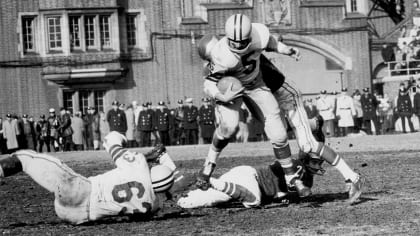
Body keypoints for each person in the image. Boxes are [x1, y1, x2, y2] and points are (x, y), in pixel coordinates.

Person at [196, 14, 363, 203]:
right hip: (257, 92)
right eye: (236, 43)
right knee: (264, 130)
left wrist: (286, 50)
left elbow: (271, 42)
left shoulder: (258, 41)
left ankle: (352, 177)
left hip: (286, 95)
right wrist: (221, 95)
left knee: (307, 144)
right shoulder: (221, 58)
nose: (240, 47)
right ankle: (310, 133)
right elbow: (211, 82)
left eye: (245, 42)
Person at [0, 132, 178, 224]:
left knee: (25, 158)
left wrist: (132, 146)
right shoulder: (153, 205)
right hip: (77, 216)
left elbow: (110, 140)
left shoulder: (138, 164)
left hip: (79, 191)